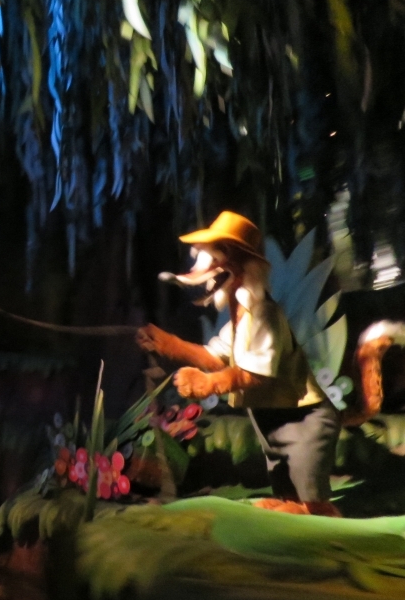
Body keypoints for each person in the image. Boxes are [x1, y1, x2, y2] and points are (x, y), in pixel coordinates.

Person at [136, 211, 341, 516]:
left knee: (309, 494)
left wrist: (209, 384)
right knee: (284, 480)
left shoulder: (264, 315)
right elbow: (214, 357)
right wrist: (169, 344)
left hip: (304, 417)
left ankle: (320, 518)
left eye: (220, 255)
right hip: (273, 418)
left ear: (246, 264)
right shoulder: (239, 317)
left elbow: (258, 375)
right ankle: (289, 505)